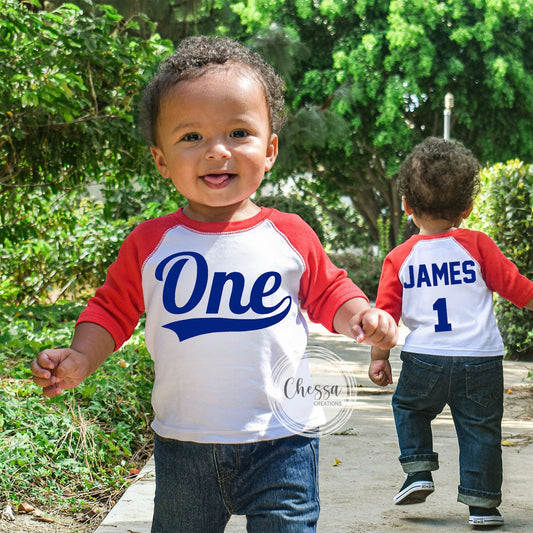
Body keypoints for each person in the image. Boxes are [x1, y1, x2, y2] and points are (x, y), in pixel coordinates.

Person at [31, 36, 397, 533]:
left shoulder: (289, 233)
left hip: (282, 439)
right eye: (191, 137)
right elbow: (111, 311)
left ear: (269, 150)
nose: (217, 151)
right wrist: (79, 356)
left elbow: (329, 292)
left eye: (239, 132)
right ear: (162, 161)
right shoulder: (151, 242)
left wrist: (361, 316)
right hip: (185, 445)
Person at [368, 136, 533, 528]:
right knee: (480, 431)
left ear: (407, 207)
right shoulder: (478, 245)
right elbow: (518, 289)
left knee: (409, 406)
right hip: (481, 360)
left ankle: (419, 469)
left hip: (424, 358)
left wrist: (379, 359)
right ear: (468, 208)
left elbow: (384, 318)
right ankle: (482, 507)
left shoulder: (399, 257)